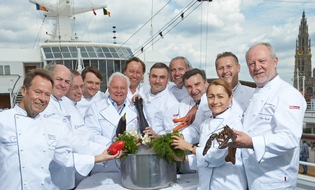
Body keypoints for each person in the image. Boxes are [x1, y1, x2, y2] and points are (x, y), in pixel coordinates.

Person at [0, 69, 121, 190]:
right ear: (24, 90)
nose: (42, 98)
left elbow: (64, 157)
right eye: (38, 92)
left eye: (47, 94)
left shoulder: (48, 124)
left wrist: (100, 156)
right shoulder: (3, 121)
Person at [232, 42, 307, 189]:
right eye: (251, 63)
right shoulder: (257, 92)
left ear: (275, 61)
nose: (257, 67)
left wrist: (252, 142)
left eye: (262, 61)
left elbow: (290, 138)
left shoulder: (288, 94)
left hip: (274, 180)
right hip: (253, 176)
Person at [43, 64, 115, 189]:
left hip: (69, 175)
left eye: (66, 81)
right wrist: (104, 152)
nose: (63, 84)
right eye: (59, 80)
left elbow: (85, 135)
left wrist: (110, 146)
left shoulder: (66, 103)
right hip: (53, 176)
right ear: (48, 79)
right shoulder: (46, 106)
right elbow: (69, 140)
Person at [172, 79, 247, 190]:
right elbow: (204, 159)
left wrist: (190, 147)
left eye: (220, 96)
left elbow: (218, 157)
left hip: (228, 185)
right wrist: (184, 158)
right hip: (206, 185)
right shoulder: (205, 124)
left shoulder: (234, 125)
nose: (215, 101)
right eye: (211, 96)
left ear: (230, 97)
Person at [85, 72, 139, 173]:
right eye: (115, 87)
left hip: (129, 164)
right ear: (108, 89)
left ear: (127, 90)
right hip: (104, 164)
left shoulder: (135, 109)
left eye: (122, 88)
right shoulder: (96, 107)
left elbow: (140, 134)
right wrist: (112, 145)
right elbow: (90, 133)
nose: (119, 91)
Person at [139, 62, 179, 137]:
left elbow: (172, 133)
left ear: (168, 80)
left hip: (157, 146)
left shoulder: (172, 104)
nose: (157, 81)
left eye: (162, 77)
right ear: (149, 77)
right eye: (154, 76)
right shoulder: (142, 90)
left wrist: (157, 136)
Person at [215, 51, 255, 119]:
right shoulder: (208, 98)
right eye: (221, 68)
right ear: (216, 71)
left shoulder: (253, 95)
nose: (225, 71)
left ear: (238, 68)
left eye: (229, 66)